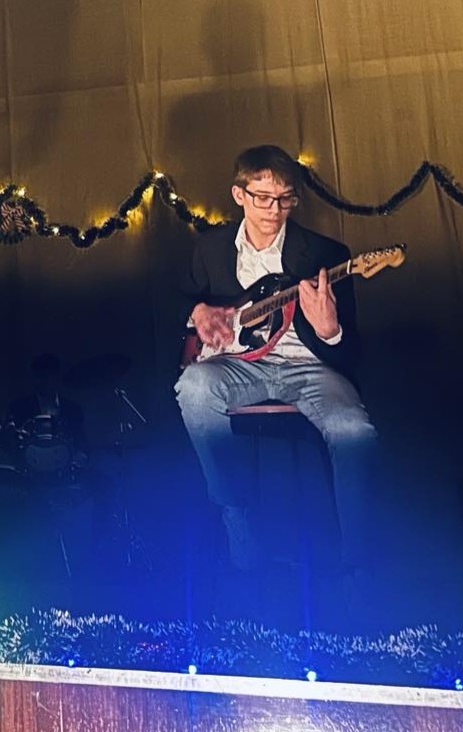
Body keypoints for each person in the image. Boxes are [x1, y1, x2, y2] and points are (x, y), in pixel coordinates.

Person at [176, 144, 377, 575]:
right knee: (193, 386)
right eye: (263, 197)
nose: (275, 209)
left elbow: (351, 352)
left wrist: (330, 330)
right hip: (241, 366)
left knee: (354, 432)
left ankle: (358, 560)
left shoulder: (326, 255)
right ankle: (235, 514)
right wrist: (199, 311)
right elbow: (183, 297)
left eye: (286, 199)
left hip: (311, 368)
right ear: (239, 195)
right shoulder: (211, 248)